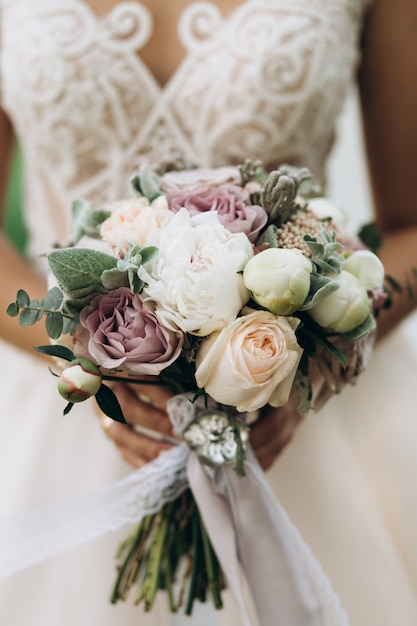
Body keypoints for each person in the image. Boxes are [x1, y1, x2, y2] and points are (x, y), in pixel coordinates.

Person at [0, 1, 416, 625]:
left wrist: (299, 359)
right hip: (64, 413)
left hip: (305, 420)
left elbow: (412, 227)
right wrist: (96, 355)